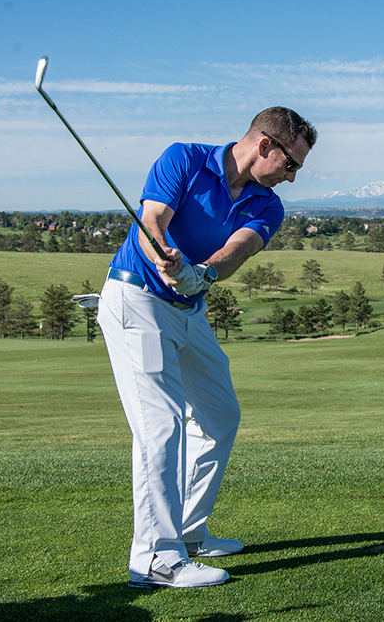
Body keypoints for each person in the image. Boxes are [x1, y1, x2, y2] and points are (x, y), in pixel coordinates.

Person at [96, 107, 317, 588]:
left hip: (188, 307)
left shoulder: (268, 204)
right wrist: (164, 255)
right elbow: (152, 219)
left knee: (219, 415)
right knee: (160, 425)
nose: (292, 177)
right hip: (137, 298)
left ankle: (188, 532)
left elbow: (240, 249)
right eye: (290, 164)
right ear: (264, 145)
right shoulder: (185, 159)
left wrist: (204, 272)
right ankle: (155, 558)